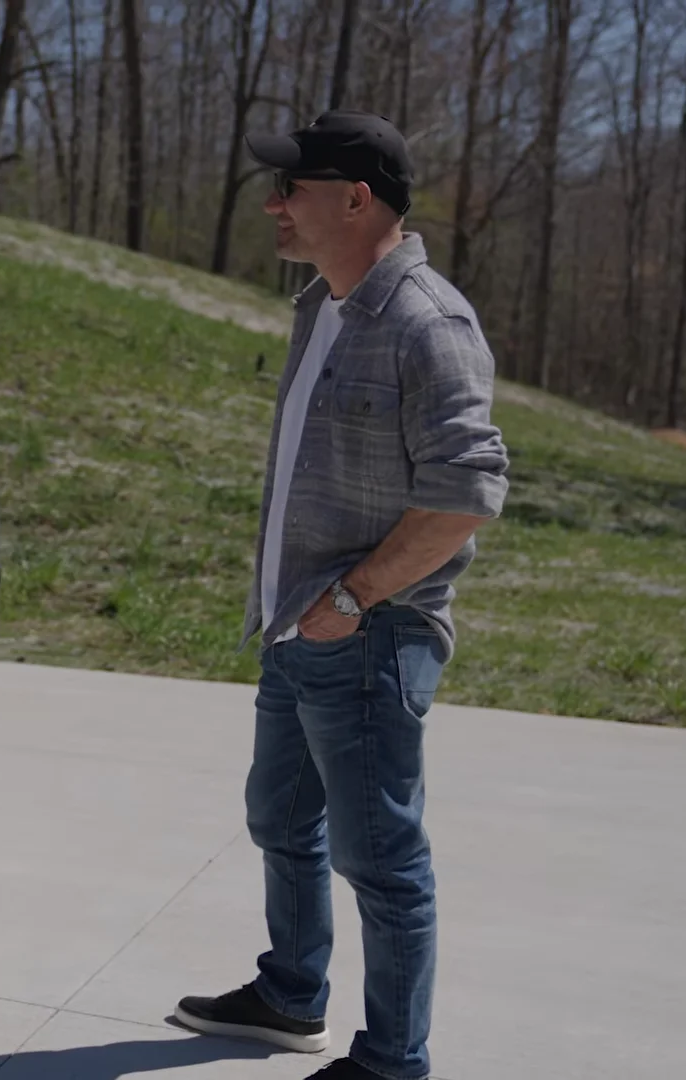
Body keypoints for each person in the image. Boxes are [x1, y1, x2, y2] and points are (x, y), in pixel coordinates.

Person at [170, 111, 510, 1080]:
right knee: (279, 816)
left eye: (294, 187)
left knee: (383, 862)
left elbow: (468, 496)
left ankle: (394, 1059)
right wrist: (300, 611)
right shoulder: (321, 304)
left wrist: (354, 602)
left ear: (357, 199)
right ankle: (290, 993)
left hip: (368, 636)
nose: (275, 205)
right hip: (298, 627)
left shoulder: (427, 323)